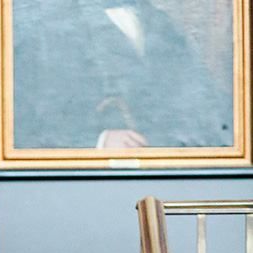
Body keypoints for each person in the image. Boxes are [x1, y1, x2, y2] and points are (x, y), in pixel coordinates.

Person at [13, 0, 233, 151]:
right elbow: (26, 124)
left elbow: (204, 101)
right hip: (87, 181)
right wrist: (99, 141)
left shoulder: (160, 23)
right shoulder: (50, 28)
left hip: (165, 172)